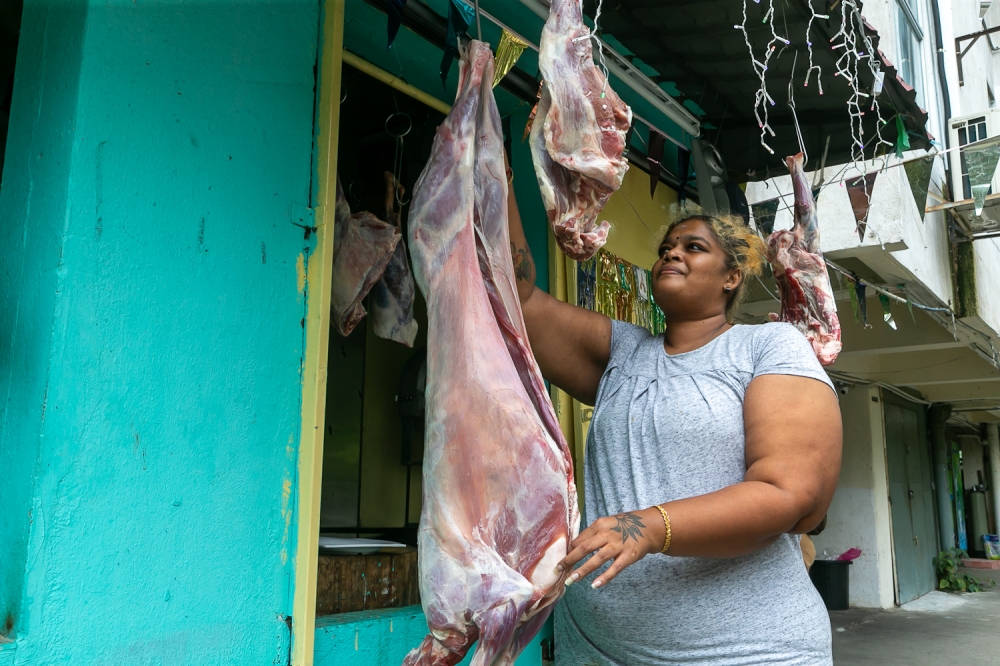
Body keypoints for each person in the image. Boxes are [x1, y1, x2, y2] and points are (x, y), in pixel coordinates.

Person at [505, 171, 843, 664]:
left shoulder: (767, 347)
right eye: (666, 247)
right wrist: (495, 163)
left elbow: (791, 496)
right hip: (598, 651)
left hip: (743, 652)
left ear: (732, 277)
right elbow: (515, 294)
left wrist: (649, 526)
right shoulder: (623, 352)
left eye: (694, 247)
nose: (671, 253)